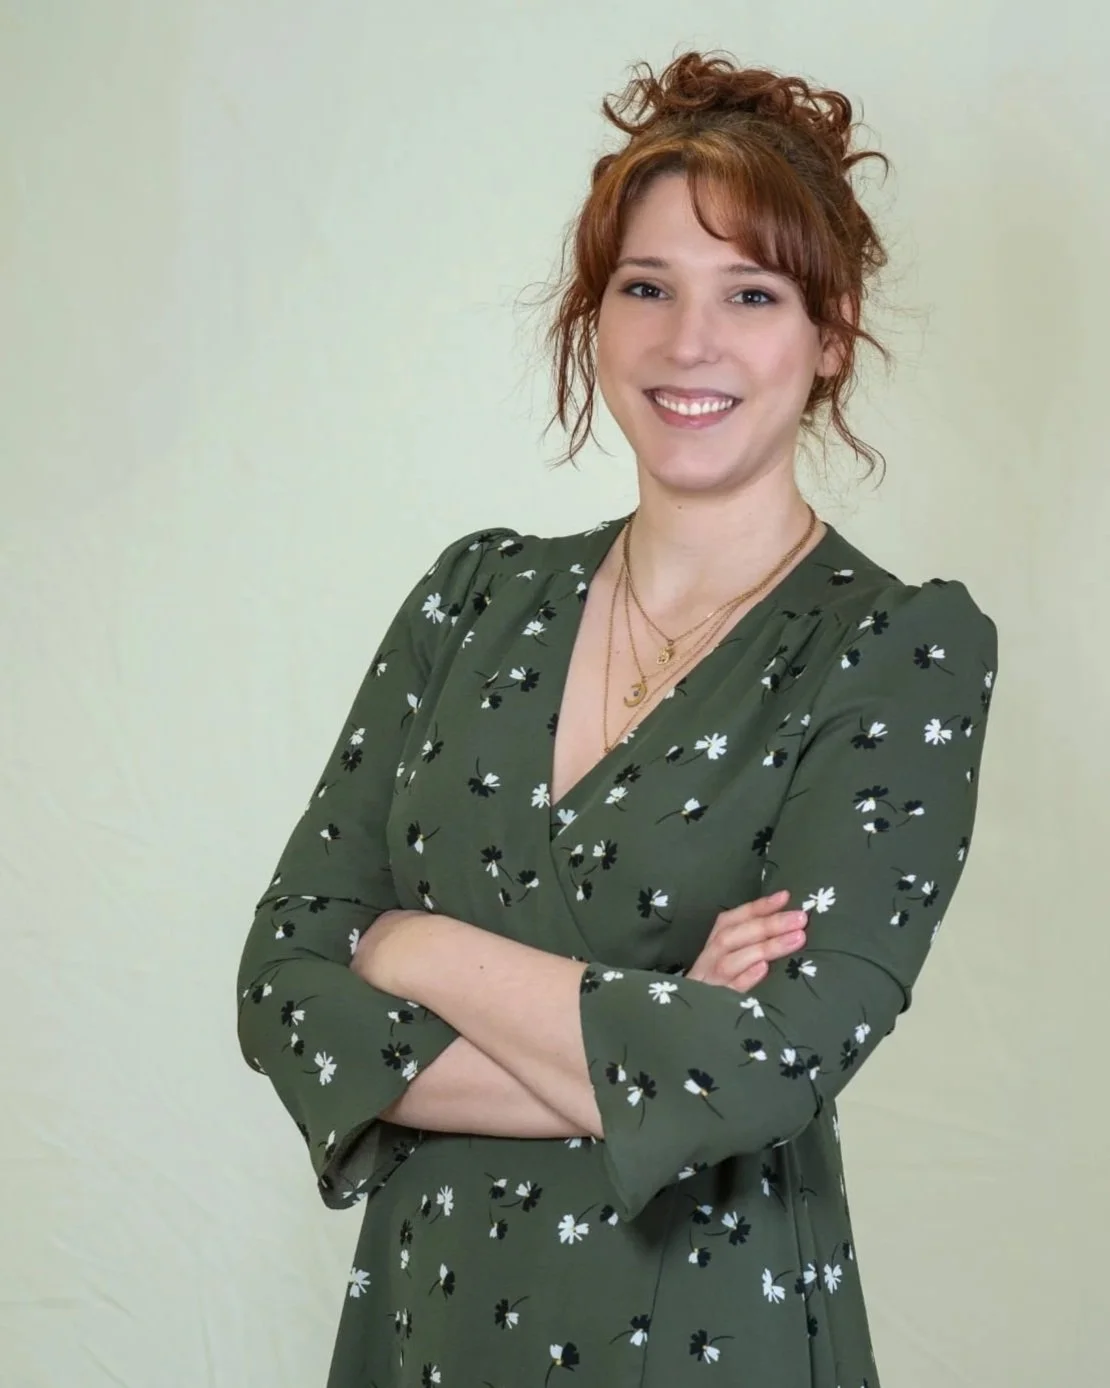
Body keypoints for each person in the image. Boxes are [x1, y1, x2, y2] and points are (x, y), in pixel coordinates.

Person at [236, 50, 998, 1388]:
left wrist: (412, 949)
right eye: (645, 288)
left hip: (706, 1332)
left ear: (827, 335)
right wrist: (648, 1028)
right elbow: (284, 982)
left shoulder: (892, 650)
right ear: (596, 316)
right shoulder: (472, 599)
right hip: (429, 1326)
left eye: (747, 295)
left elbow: (760, 1070)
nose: (686, 344)